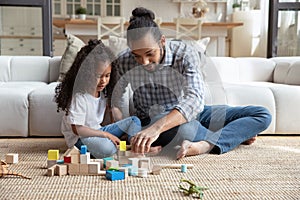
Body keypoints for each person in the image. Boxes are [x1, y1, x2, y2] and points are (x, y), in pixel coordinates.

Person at [110, 7, 272, 159]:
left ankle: (205, 143)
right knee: (187, 130)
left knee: (262, 114)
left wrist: (157, 129)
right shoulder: (125, 61)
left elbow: (194, 99)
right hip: (152, 118)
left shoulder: (185, 53)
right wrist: (126, 131)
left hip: (190, 112)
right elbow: (115, 99)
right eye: (137, 56)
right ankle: (230, 135)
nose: (143, 62)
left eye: (149, 53)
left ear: (162, 41)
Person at [54, 39, 141, 159]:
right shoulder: (79, 96)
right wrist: (105, 135)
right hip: (80, 138)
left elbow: (112, 116)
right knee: (108, 149)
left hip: (97, 131)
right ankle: (124, 150)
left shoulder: (103, 92)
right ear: (86, 73)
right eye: (98, 76)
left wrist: (115, 125)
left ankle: (136, 147)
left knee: (134, 121)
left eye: (107, 75)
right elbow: (77, 129)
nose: (104, 81)